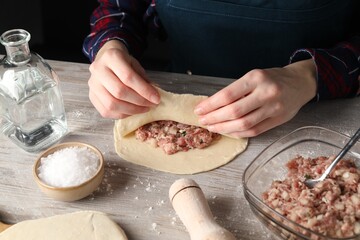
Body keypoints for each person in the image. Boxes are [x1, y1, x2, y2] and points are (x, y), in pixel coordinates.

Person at [82, 0, 359, 138]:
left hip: (321, 116)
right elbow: (120, 9)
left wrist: (309, 75)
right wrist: (110, 46)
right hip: (183, 89)